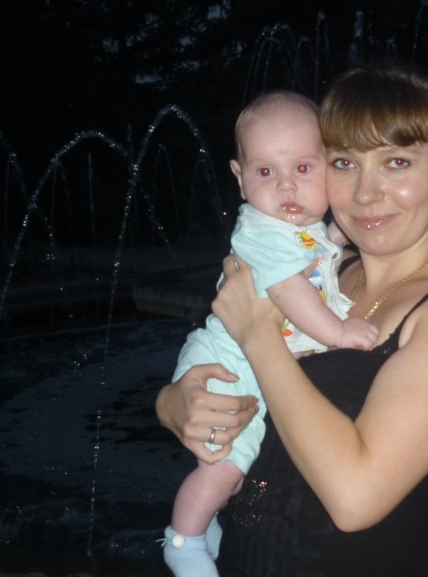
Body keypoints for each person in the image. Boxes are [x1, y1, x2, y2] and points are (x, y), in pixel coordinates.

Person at [156, 63, 428, 576]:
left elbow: (355, 498)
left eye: (397, 162)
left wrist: (258, 334)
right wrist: (174, 404)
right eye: (345, 163)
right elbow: (231, 371)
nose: (366, 193)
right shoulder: (324, 273)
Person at [161, 90, 379, 577]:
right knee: (226, 466)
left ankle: (204, 523)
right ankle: (182, 540)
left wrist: (337, 236)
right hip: (229, 363)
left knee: (236, 468)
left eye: (302, 168)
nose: (286, 186)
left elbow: (317, 254)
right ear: (239, 178)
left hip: (247, 357)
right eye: (265, 171)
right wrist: (339, 332)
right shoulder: (261, 232)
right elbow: (289, 291)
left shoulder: (297, 228)